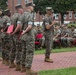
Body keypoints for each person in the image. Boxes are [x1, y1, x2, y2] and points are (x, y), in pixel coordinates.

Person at [17, 2, 38, 75]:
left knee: (24, 51)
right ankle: (28, 69)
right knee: (29, 52)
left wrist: (22, 32)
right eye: (32, 6)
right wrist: (25, 31)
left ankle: (23, 67)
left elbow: (19, 26)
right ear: (29, 7)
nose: (33, 8)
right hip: (29, 36)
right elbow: (29, 27)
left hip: (23, 37)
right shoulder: (30, 15)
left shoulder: (22, 15)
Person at [9, 4, 24, 69]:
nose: (23, 10)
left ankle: (11, 63)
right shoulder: (19, 16)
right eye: (22, 9)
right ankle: (18, 65)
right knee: (19, 50)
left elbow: (10, 26)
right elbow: (18, 27)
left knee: (13, 49)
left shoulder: (12, 16)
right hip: (17, 35)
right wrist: (15, 33)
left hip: (12, 35)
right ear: (20, 9)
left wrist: (11, 33)